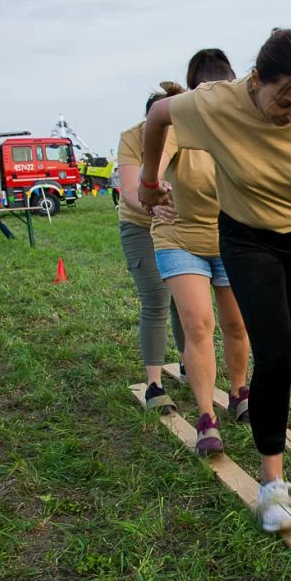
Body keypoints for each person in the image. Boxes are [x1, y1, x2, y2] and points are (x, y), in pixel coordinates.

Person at [138, 28, 291, 533]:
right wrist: (148, 183)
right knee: (276, 352)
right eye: (284, 103)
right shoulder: (216, 104)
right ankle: (272, 484)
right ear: (257, 80)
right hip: (248, 238)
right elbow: (157, 116)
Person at [148, 51, 253, 456]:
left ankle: (240, 391)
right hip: (180, 237)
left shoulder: (243, 125)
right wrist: (152, 186)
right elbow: (154, 160)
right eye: (208, 93)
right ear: (195, 92)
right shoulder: (180, 121)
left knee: (238, 325)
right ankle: (207, 416)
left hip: (230, 236)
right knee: (198, 325)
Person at [116, 84, 187, 415]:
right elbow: (129, 188)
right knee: (157, 300)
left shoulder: (189, 131)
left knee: (185, 300)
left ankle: (189, 364)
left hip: (178, 224)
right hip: (140, 224)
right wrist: (151, 205)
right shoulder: (133, 136)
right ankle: (155, 384)